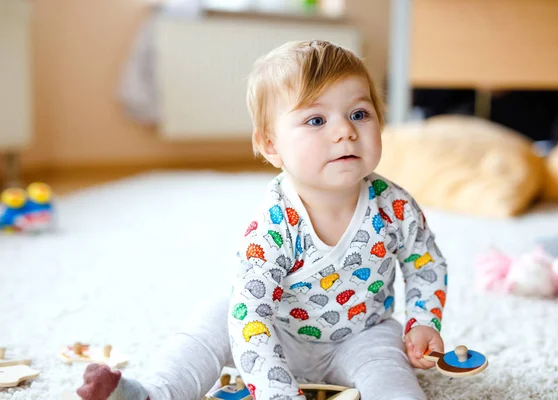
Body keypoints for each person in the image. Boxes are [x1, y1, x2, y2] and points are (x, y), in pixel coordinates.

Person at [77, 40, 448, 400]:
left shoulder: (394, 206)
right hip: (276, 336)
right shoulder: (275, 223)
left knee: (391, 374)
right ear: (271, 145)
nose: (345, 130)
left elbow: (424, 262)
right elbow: (251, 316)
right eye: (316, 119)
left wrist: (423, 321)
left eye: (359, 114)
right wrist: (276, 391)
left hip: (363, 336)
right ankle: (154, 393)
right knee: (219, 316)